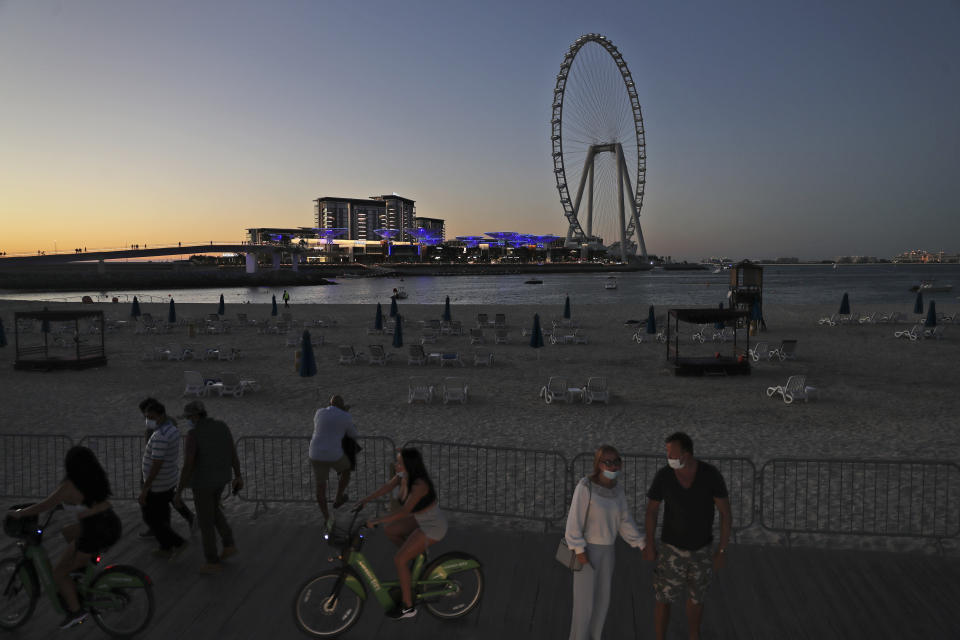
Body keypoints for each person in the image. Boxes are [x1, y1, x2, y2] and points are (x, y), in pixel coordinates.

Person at [9, 446, 121, 630]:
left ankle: (77, 611)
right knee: (67, 532)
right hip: (110, 523)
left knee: (58, 573)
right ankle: (80, 571)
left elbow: (43, 505)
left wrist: (20, 514)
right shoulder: (94, 478)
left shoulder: (68, 486)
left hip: (94, 531)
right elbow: (86, 503)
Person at [643, 432, 731, 640]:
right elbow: (652, 511)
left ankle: (694, 636)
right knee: (663, 597)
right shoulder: (664, 475)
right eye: (667, 452)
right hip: (671, 549)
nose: (669, 456)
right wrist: (649, 544)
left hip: (701, 550)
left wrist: (722, 550)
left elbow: (725, 514)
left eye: (672, 452)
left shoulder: (710, 475)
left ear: (687, 453)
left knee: (697, 599)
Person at [565, 445, 646, 640]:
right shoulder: (586, 486)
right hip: (587, 551)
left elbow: (624, 521)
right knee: (584, 605)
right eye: (607, 462)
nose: (612, 466)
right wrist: (579, 551)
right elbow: (574, 521)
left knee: (602, 601)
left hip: (608, 551)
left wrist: (641, 543)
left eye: (616, 461)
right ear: (598, 464)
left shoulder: (617, 490)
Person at [357, 448, 448, 620]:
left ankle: (408, 607)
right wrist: (366, 500)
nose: (396, 465)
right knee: (390, 530)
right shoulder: (403, 476)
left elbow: (404, 512)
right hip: (421, 519)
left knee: (399, 560)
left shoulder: (419, 485)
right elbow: (387, 487)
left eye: (399, 462)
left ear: (409, 465)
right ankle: (417, 555)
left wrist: (377, 520)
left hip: (432, 527)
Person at [174, 400, 243, 574]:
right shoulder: (221, 426)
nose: (188, 420)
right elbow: (232, 452)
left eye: (189, 417)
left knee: (205, 522)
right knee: (214, 510)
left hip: (203, 482)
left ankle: (212, 560)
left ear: (195, 416)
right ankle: (228, 544)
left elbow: (188, 464)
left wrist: (179, 490)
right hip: (221, 478)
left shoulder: (194, 434)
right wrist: (238, 474)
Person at [138, 397, 195, 538]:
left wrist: (146, 485)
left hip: (159, 473)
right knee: (169, 498)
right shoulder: (167, 424)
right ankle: (185, 519)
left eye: (148, 415)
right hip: (166, 472)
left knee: (152, 503)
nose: (146, 418)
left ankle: (160, 528)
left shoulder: (160, 430)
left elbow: (157, 457)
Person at [309, 395, 359, 524]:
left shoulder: (319, 412)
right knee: (346, 469)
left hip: (315, 453)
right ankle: (338, 497)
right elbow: (353, 434)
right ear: (342, 405)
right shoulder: (345, 416)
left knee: (320, 487)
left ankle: (327, 518)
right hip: (333, 453)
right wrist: (345, 414)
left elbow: (325, 424)